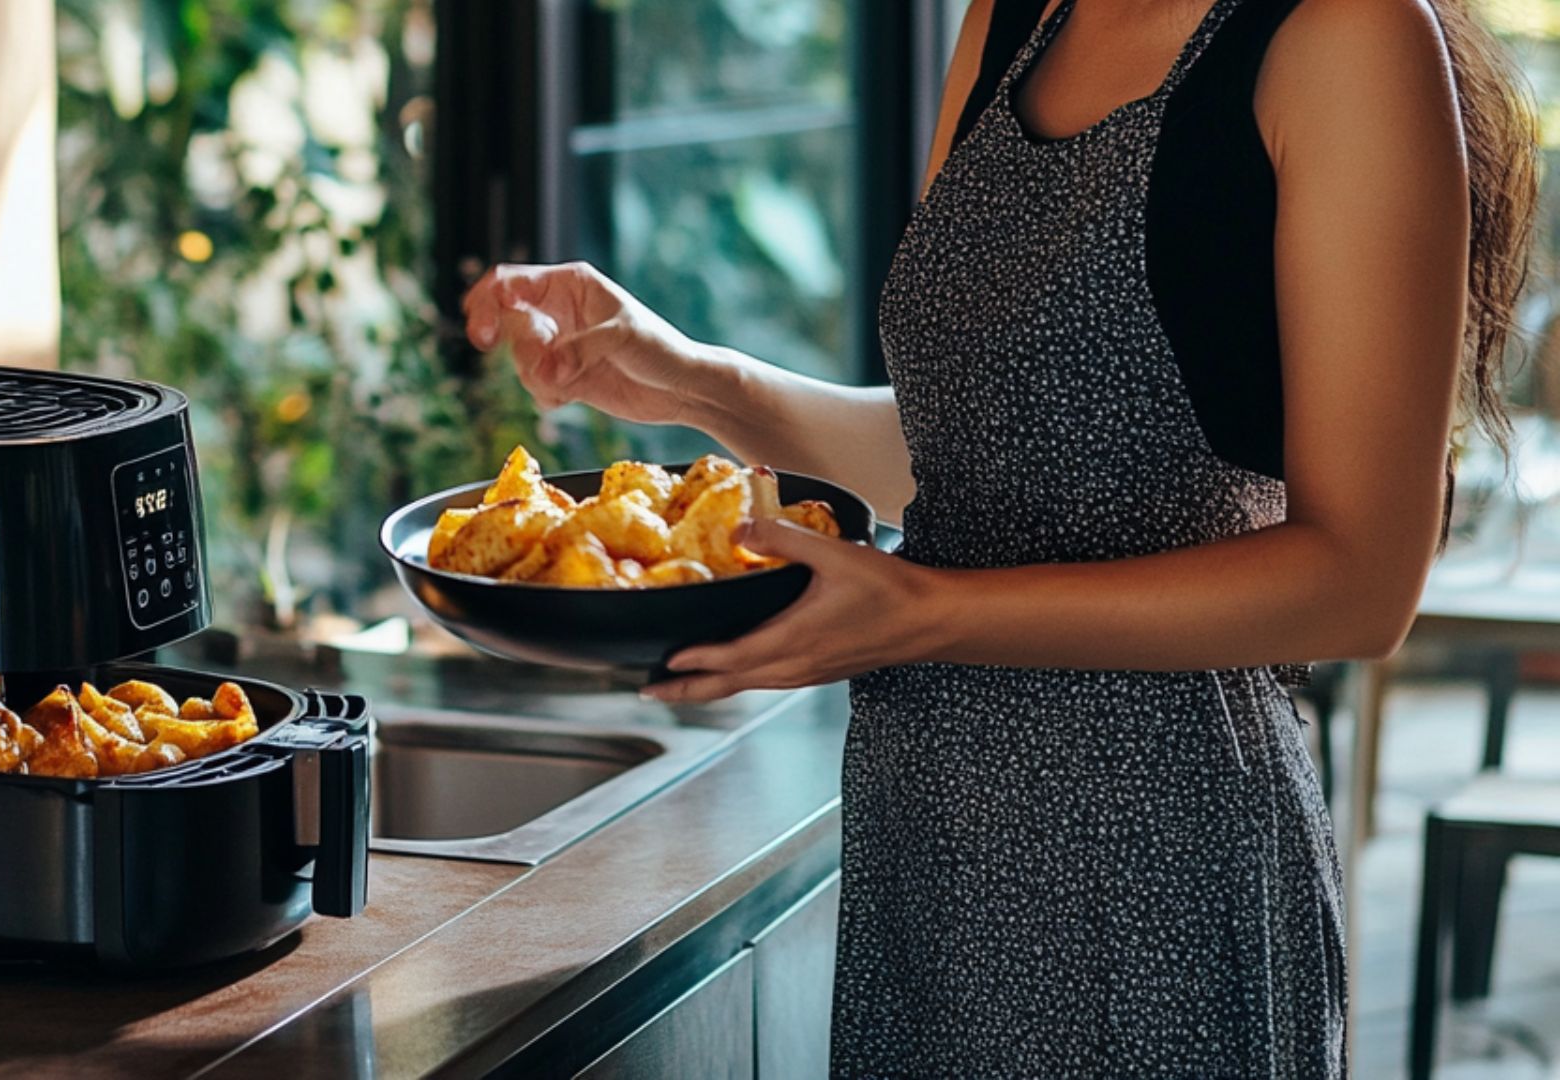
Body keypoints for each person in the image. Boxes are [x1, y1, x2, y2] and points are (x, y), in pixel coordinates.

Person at [464, 0, 1537, 1073]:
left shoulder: (1345, 36)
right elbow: (978, 453)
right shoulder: (1011, 20)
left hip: (1155, 848)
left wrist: (924, 616)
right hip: (934, 832)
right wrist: (698, 380)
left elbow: (1361, 581)